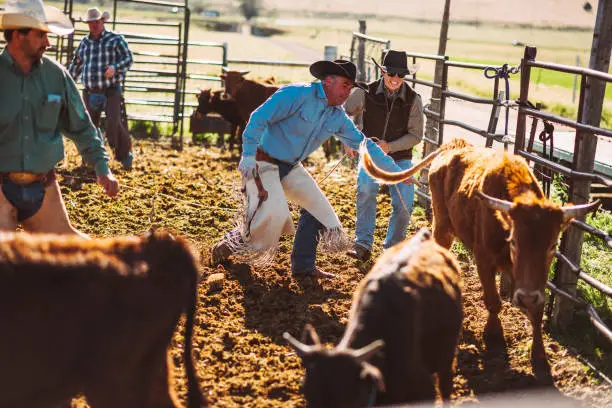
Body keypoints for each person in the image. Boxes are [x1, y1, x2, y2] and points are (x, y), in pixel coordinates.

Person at [211, 59, 406, 278]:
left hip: (292, 166)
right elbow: (259, 117)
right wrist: (247, 154)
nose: (347, 92)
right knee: (272, 215)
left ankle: (303, 266)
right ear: (328, 81)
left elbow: (364, 144)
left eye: (350, 87)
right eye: (345, 85)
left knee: (320, 212)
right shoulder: (295, 94)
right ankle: (231, 242)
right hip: (263, 161)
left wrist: (397, 171)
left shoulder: (337, 116)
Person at [0, 0, 119, 236]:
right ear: (17, 35)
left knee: (72, 253)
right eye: (40, 35)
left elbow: (82, 126)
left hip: (43, 185)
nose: (48, 43)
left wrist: (101, 166)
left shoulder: (56, 75)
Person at [344, 50, 424, 262]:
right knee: (366, 189)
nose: (396, 79)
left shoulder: (413, 99)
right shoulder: (365, 92)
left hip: (400, 157)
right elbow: (342, 113)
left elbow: (416, 135)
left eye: (401, 75)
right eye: (392, 74)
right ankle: (362, 244)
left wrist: (390, 146)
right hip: (371, 155)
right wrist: (347, 139)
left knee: (405, 201)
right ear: (383, 71)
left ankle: (393, 249)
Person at [68, 7, 134, 170]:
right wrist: (67, 82)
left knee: (113, 124)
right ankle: (91, 158)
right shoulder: (84, 43)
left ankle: (124, 156)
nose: (94, 26)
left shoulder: (115, 39)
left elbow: (128, 58)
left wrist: (115, 68)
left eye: (97, 22)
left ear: (102, 21)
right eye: (91, 23)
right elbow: (76, 65)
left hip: (110, 90)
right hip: (90, 90)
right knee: (89, 127)